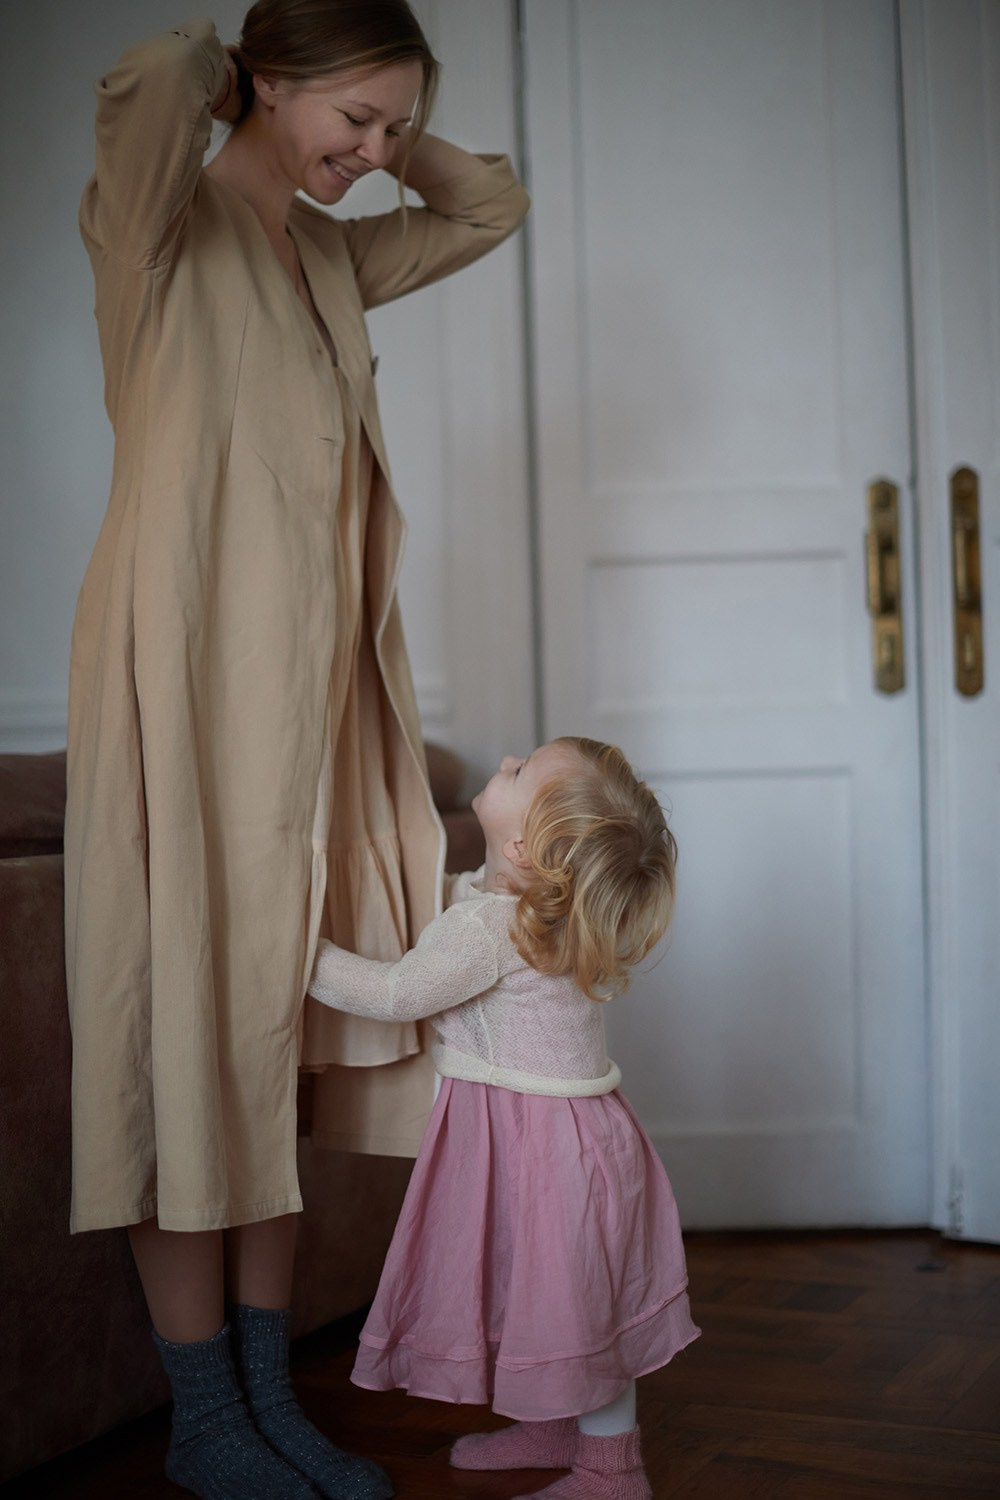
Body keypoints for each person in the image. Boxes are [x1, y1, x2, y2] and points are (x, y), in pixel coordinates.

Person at [64, 3, 529, 1497]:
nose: (379, 152)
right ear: (264, 85)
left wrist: (373, 135)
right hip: (189, 686)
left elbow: (490, 205)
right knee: (189, 1039)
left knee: (274, 1041)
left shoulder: (329, 253)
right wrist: (244, 82)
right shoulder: (156, 226)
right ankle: (207, 1426)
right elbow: (150, 81)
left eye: (400, 125)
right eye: (356, 120)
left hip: (318, 706)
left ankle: (270, 1407)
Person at [307, 737, 701, 1500]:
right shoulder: (543, 908)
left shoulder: (489, 932)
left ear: (524, 847)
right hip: (573, 1142)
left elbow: (395, 994)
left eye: (520, 771)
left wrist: (304, 955)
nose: (507, 760)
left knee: (576, 1308)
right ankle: (554, 1425)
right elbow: (462, 897)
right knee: (553, 1296)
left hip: (538, 1150)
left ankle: (612, 1473)